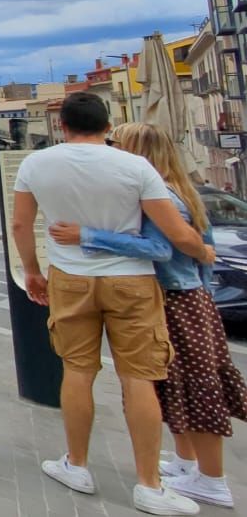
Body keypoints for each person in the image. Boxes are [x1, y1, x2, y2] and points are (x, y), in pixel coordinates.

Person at [12, 91, 210, 515]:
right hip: (131, 280)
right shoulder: (136, 166)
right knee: (139, 378)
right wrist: (203, 251)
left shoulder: (36, 164)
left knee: (77, 372)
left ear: (61, 126)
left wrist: (32, 270)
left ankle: (77, 465)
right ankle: (149, 485)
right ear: (108, 126)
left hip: (70, 278)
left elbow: (21, 223)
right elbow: (175, 232)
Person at [47, 123, 246, 509]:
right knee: (177, 387)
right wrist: (202, 284)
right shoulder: (178, 190)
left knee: (190, 387)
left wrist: (87, 236)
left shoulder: (162, 196)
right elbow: (202, 249)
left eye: (118, 144)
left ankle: (210, 480)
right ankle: (188, 466)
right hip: (189, 297)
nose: (111, 150)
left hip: (172, 299)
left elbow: (160, 248)